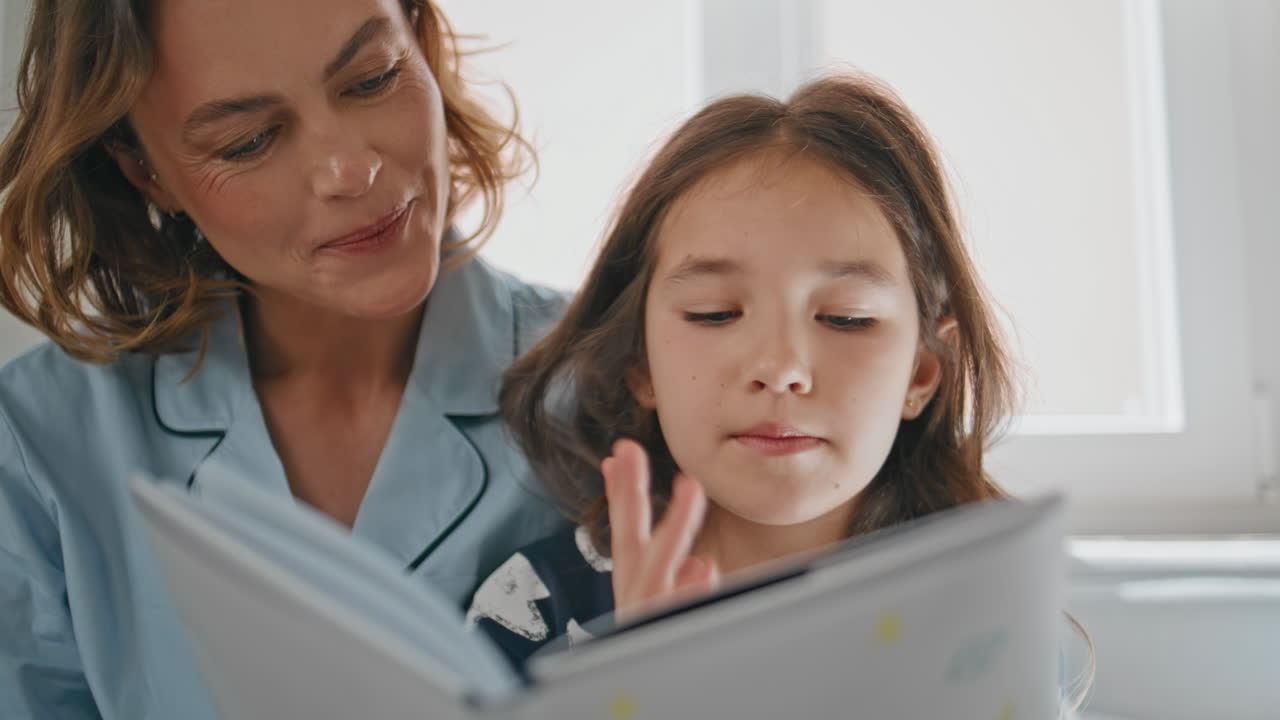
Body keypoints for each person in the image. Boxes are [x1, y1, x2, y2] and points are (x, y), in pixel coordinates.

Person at [0, 1, 568, 717]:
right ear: (148, 175)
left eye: (373, 78)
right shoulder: (33, 446)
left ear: (421, 41)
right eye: (249, 141)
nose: (351, 170)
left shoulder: (630, 385)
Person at [466, 71, 1020, 665]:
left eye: (846, 318)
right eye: (714, 314)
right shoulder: (533, 609)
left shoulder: (981, 606)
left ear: (920, 374)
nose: (780, 368)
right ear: (640, 363)